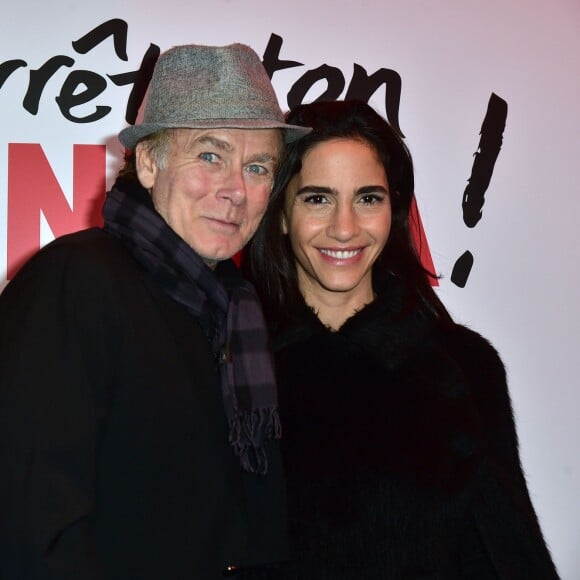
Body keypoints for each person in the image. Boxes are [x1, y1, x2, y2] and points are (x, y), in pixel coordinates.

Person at [0, 43, 310, 579]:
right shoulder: (76, 280)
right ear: (148, 162)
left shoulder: (238, 310)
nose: (235, 189)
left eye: (257, 167)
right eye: (210, 156)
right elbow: (33, 521)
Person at [244, 100, 560, 578]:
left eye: (368, 198)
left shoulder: (461, 366)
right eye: (317, 198)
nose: (344, 227)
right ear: (281, 214)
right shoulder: (231, 365)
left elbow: (507, 555)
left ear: (394, 210)